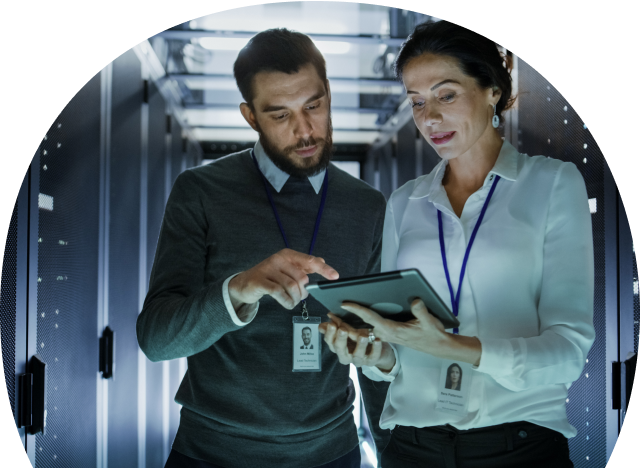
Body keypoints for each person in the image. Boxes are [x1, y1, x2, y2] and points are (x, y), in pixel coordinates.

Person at [319, 20, 595, 468]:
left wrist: (454, 348)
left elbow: (567, 353)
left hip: (517, 447)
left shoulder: (551, 185)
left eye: (446, 95)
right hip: (412, 447)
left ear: (492, 91)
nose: (429, 118)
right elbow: (399, 354)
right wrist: (376, 355)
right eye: (417, 101)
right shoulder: (404, 202)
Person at [136, 28, 390, 468]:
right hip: (211, 454)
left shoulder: (368, 206)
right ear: (250, 116)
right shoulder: (199, 191)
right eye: (280, 115)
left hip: (333, 454)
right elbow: (157, 340)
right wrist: (238, 290)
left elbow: (375, 352)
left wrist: (392, 456)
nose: (305, 129)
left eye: (314, 105)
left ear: (329, 94)